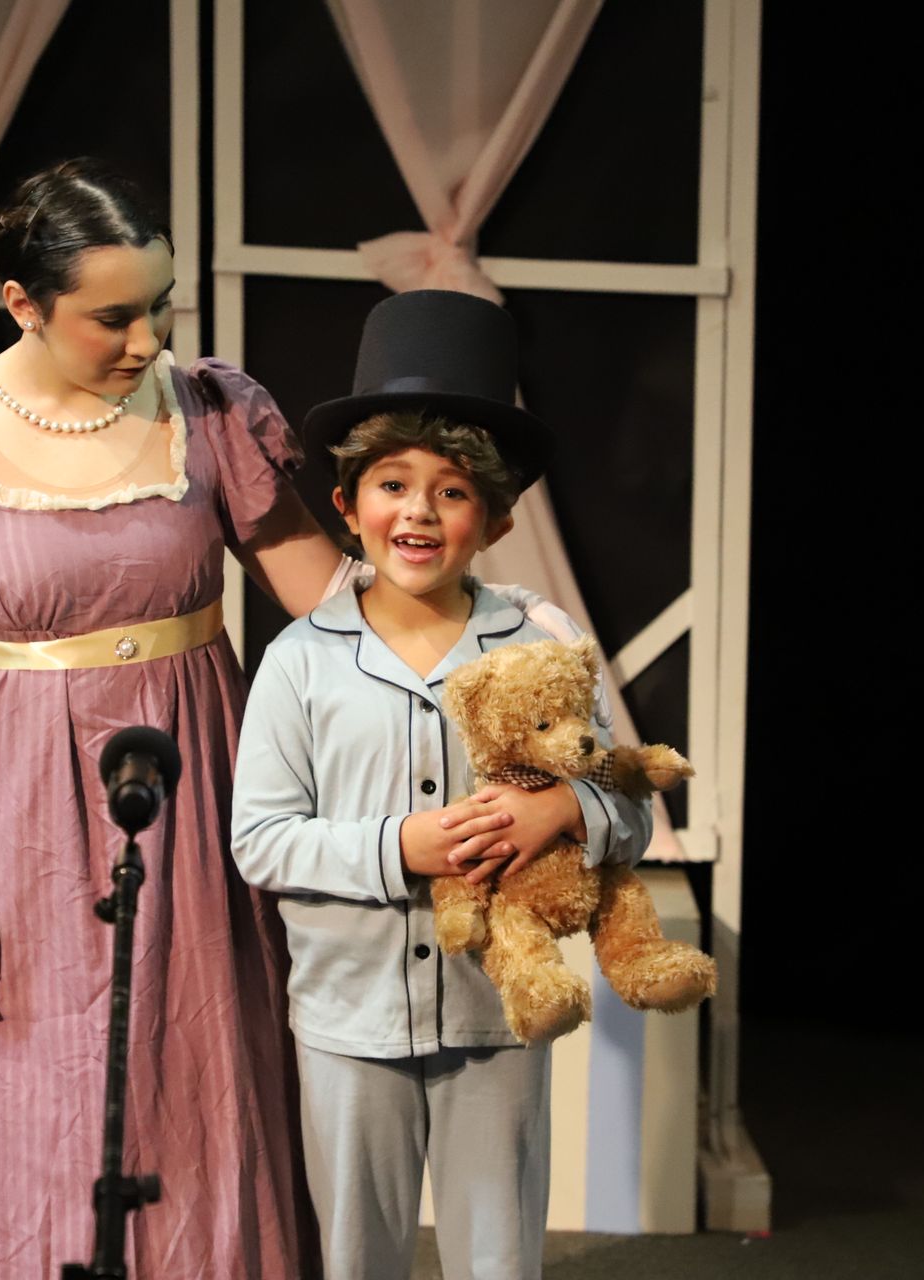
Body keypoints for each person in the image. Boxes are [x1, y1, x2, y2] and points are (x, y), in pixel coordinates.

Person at [0, 160, 575, 1278]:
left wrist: (503, 629)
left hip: (188, 791)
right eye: (113, 316)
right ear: (23, 304)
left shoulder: (210, 411)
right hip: (7, 808)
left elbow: (339, 606)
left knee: (189, 1080)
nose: (145, 338)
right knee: (19, 1086)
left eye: (161, 304)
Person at [229, 290, 653, 1280]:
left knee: (497, 1256)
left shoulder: (540, 643)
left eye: (453, 490)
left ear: (496, 518)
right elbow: (260, 837)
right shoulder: (300, 659)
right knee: (353, 1255)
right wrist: (397, 848)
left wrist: (565, 807)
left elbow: (631, 801)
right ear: (347, 503)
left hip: (495, 1019)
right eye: (391, 483)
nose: (417, 511)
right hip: (346, 1025)